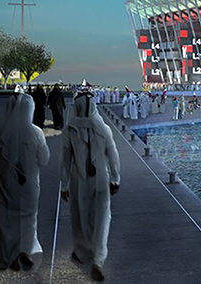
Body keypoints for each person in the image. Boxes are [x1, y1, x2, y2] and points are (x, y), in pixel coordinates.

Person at [60, 89, 120, 282]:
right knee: (103, 218)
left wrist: (64, 185)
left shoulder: (70, 129)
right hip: (101, 179)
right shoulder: (104, 129)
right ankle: (98, 259)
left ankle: (83, 253)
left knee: (81, 217)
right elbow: (113, 156)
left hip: (79, 180)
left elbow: (65, 160)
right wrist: (115, 179)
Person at [0, 93, 51, 271]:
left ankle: (9, 255)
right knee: (28, 217)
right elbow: (44, 159)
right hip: (29, 183)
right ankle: (25, 251)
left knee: (7, 219)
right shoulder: (35, 131)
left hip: (5, 184)